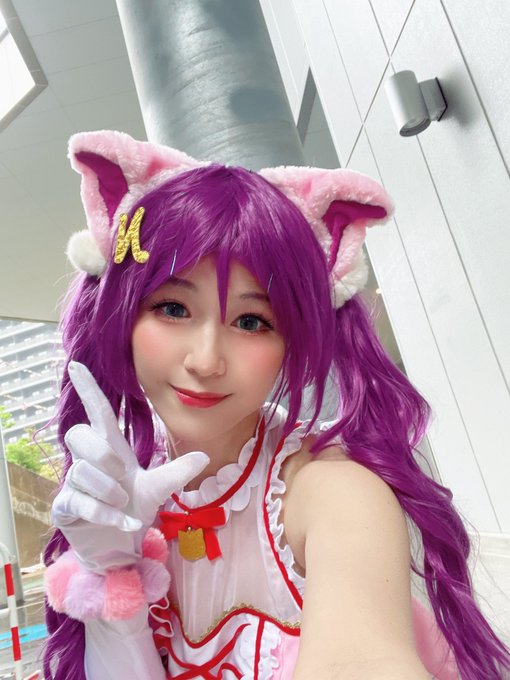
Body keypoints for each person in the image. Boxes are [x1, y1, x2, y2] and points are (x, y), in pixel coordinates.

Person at [41, 130, 509, 680]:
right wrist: (110, 574)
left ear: (292, 341)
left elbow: (362, 662)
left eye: (251, 321)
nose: (206, 360)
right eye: (172, 308)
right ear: (123, 314)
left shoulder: (331, 492)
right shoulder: (119, 495)